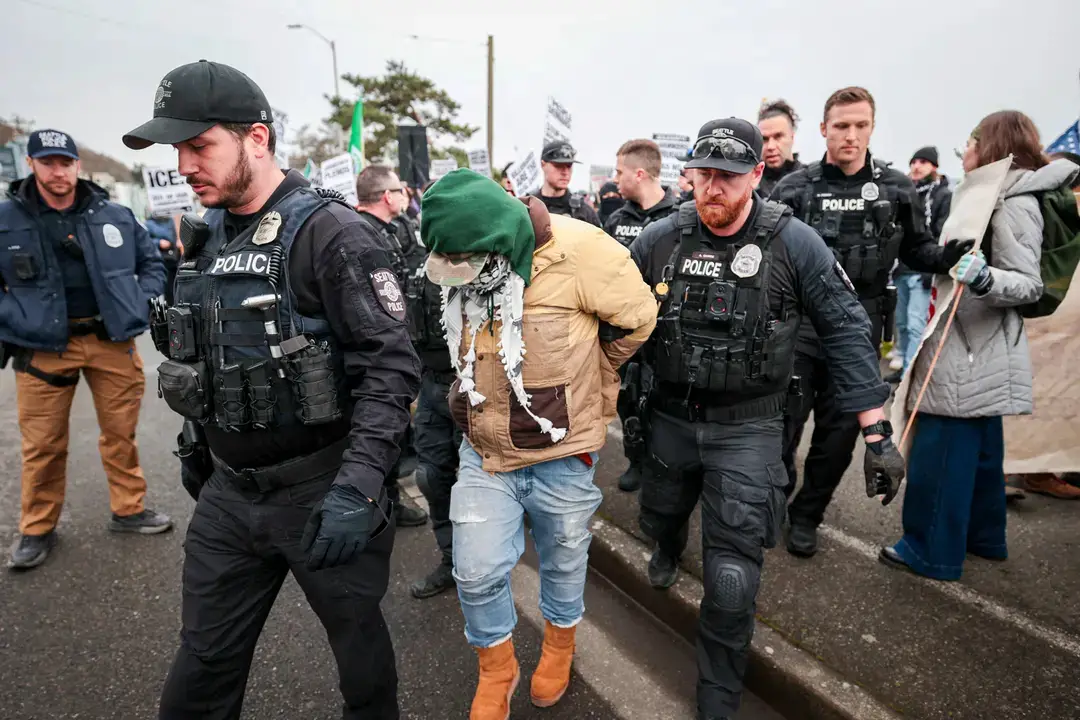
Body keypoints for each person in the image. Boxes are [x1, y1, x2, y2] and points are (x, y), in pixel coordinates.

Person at [123, 60, 420, 718]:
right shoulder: (203, 240)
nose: (184, 165)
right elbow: (209, 356)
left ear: (256, 139)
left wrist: (360, 486)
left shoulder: (331, 234)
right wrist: (202, 447)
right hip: (231, 497)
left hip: (325, 490)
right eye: (178, 150)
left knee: (361, 665)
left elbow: (390, 367)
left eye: (199, 146)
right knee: (201, 671)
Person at [631, 117, 905, 720]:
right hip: (670, 421)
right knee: (659, 517)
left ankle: (718, 695)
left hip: (749, 427)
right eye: (703, 175)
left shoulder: (794, 242)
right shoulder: (658, 239)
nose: (713, 190)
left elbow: (846, 330)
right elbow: (607, 318)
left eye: (728, 177)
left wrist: (877, 432)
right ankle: (668, 545)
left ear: (757, 174)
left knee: (732, 577)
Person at [421, 169, 657, 718]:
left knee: (564, 560)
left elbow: (639, 319)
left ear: (501, 242)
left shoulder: (584, 252)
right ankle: (496, 669)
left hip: (562, 455)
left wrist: (590, 378)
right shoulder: (457, 256)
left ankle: (559, 646)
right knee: (475, 570)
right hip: (485, 454)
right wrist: (462, 390)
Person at [770, 87, 972, 558]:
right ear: (824, 130)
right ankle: (775, 501)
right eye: (841, 126)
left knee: (838, 441)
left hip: (859, 333)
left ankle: (807, 516)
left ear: (872, 129)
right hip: (798, 332)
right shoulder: (794, 188)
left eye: (861, 125)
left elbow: (917, 249)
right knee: (780, 429)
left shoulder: (896, 188)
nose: (851, 135)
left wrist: (948, 257)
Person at [881, 112, 1079, 579]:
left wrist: (986, 277)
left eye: (968, 143)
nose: (963, 153)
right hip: (977, 346)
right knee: (982, 459)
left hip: (968, 349)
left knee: (940, 458)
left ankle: (929, 549)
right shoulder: (1000, 193)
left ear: (987, 145)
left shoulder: (1012, 201)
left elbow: (1029, 284)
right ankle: (983, 537)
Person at [1, 128, 170, 570]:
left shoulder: (112, 214)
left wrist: (138, 300)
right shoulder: (7, 219)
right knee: (43, 444)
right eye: (48, 162)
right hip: (41, 348)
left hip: (110, 340)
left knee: (121, 433)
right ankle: (36, 528)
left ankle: (129, 509)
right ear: (31, 165)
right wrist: (13, 317)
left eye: (65, 162)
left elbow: (151, 262)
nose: (58, 171)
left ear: (77, 165)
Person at [604, 139, 682, 492]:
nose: (615, 179)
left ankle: (663, 468)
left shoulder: (679, 218)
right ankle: (636, 459)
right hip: (624, 331)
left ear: (639, 173)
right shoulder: (617, 219)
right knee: (627, 398)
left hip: (665, 330)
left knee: (663, 405)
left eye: (620, 172)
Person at [355, 165, 430, 529]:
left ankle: (383, 500)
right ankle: (383, 505)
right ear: (387, 196)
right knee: (383, 427)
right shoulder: (366, 234)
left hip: (390, 344)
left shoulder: (383, 230)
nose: (405, 195)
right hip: (377, 352)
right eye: (400, 190)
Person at [885, 146, 952, 383]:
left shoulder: (943, 196)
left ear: (934, 167)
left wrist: (933, 263)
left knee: (916, 325)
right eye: (914, 161)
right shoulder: (904, 193)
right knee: (901, 324)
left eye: (923, 162)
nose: (916, 166)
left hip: (923, 271)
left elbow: (942, 231)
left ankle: (910, 377)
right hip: (901, 270)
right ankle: (904, 364)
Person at [534, 141, 602, 226]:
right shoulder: (528, 207)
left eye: (569, 166)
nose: (565, 172)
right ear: (543, 164)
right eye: (558, 165)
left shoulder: (584, 212)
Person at [757, 99, 803, 197]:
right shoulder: (748, 183)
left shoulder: (809, 181)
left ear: (792, 137)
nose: (770, 146)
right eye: (764, 139)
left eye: (778, 137)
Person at [145, 213, 181, 305]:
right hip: (161, 258)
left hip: (175, 257)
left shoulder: (173, 220)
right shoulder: (148, 224)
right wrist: (159, 242)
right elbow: (145, 241)